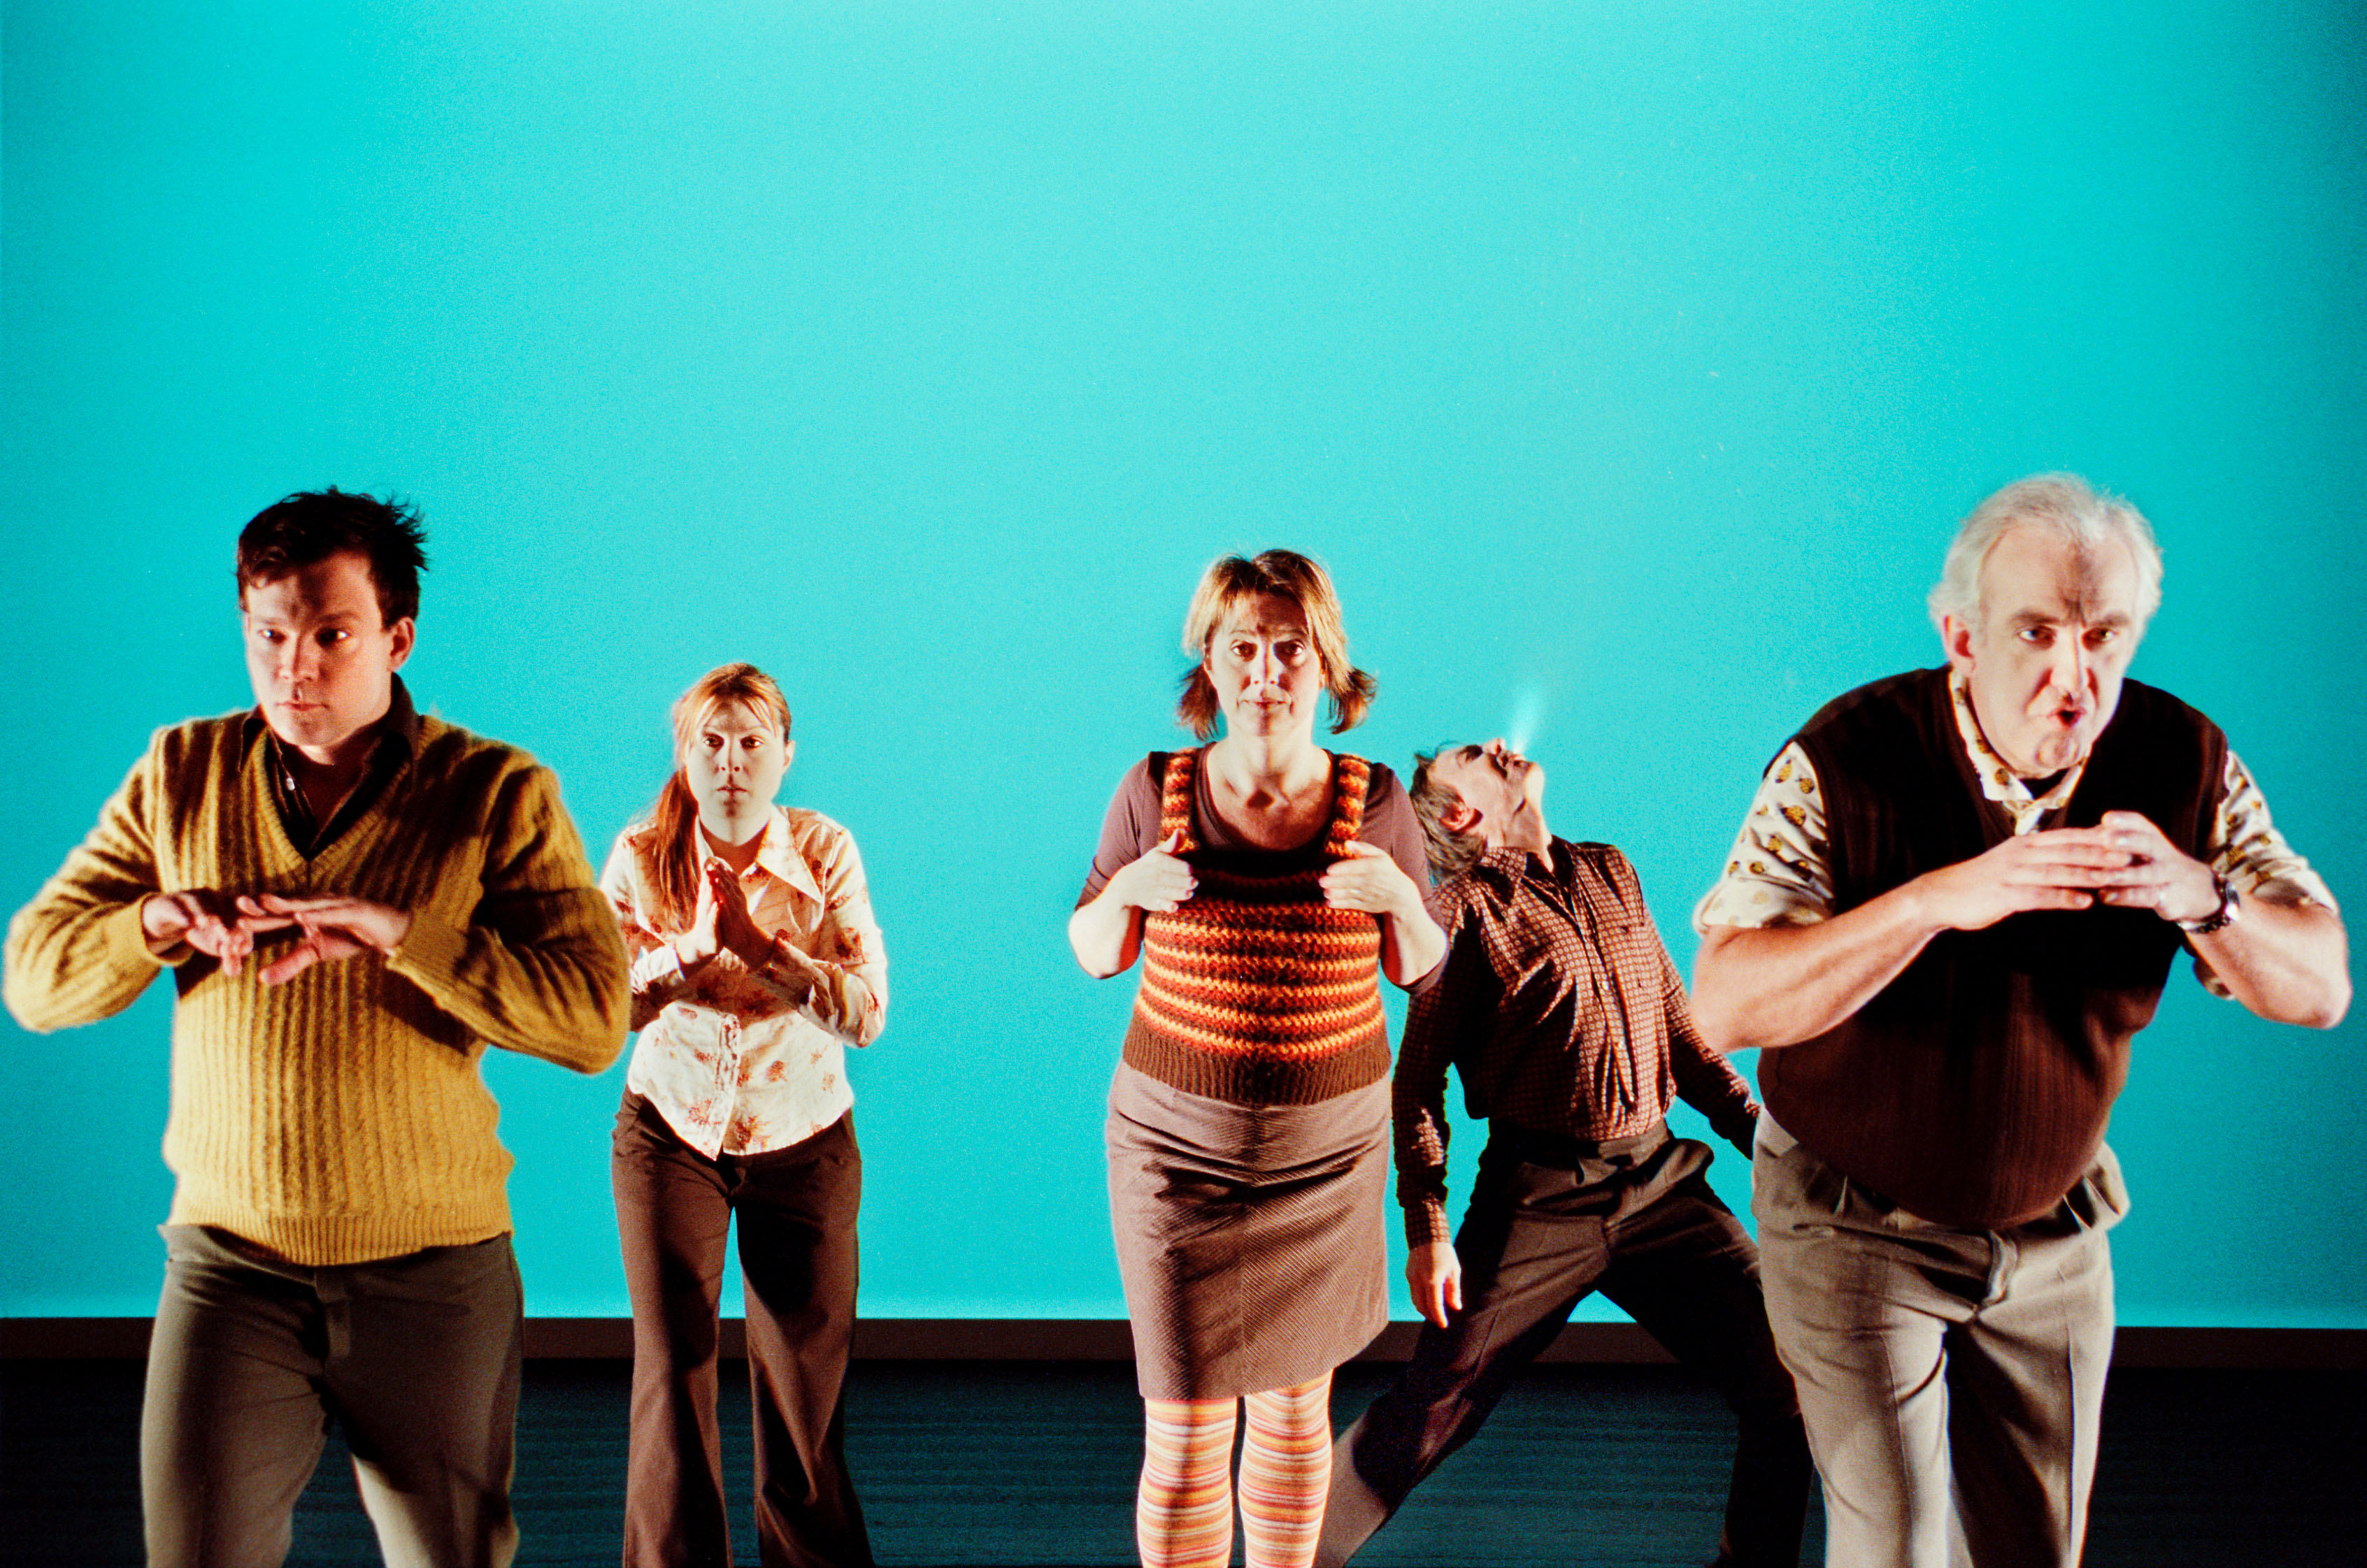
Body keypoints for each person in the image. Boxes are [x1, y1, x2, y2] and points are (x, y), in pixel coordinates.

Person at [1689, 474, 2350, 1568]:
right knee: (1897, 1544)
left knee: (2037, 1548)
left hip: (2053, 1220)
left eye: (2104, 636)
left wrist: (2205, 897)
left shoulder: (2184, 760)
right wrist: (1932, 901)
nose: (2072, 677)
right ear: (1961, 634)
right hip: (1854, 1218)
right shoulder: (1841, 758)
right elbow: (1723, 1003)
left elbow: (2320, 987)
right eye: (2036, 632)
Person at [3, 489, 630, 1568]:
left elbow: (590, 1019)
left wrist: (402, 934)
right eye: (270, 634)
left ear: (397, 637)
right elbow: (34, 979)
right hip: (229, 1267)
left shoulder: (494, 791)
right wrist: (153, 920)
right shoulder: (181, 773)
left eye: (332, 635)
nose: (295, 667)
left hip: (435, 1272)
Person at [1319, 739, 1811, 1568]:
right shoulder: (1457, 914)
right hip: (1540, 1194)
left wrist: (1758, 1136)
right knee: (1434, 1404)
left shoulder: (1610, 869)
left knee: (1791, 1378)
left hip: (1659, 1181)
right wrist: (1426, 1227)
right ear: (1459, 812)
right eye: (1474, 754)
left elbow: (1678, 1028)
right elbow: (1418, 1082)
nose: (1500, 747)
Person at [1070, 550, 1447, 1568]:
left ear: (1326, 666)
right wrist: (1126, 890)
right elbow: (1094, 951)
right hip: (1173, 1159)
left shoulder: (1377, 802)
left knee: (1290, 1417)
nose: (1265, 671)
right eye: (1243, 646)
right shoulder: (1156, 787)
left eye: (1289, 648)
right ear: (1210, 660)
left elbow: (1422, 970)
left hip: (1324, 1164)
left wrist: (1402, 899)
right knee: (1185, 1431)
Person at [599, 662, 887, 1568]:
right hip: (670, 1131)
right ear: (685, 755)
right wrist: (690, 951)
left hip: (805, 1135)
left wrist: (767, 952)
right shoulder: (641, 854)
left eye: (752, 741)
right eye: (712, 741)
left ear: (785, 754)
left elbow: (868, 1013)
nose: (731, 761)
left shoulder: (825, 850)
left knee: (804, 1384)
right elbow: (604, 1010)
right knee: (673, 1367)